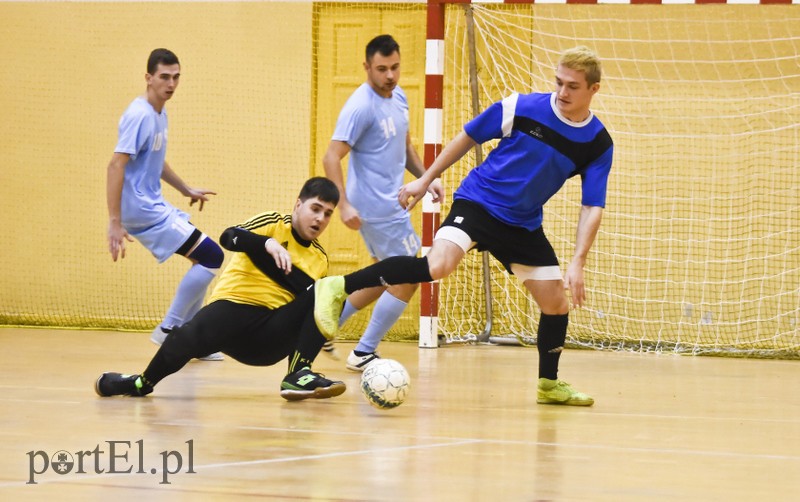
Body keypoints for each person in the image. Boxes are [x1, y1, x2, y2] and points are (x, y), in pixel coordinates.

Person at [315, 46, 613, 407]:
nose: (562, 93)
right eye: (558, 82)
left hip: (522, 224)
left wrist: (578, 260)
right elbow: (467, 137)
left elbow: (592, 205)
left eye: (573, 86)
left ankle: (549, 385)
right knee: (438, 265)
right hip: (478, 202)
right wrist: (424, 180)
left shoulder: (597, 143)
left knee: (556, 304)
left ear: (593, 90)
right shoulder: (521, 107)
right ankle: (337, 286)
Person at [95, 177, 347, 401]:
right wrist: (267, 244)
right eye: (315, 209)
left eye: (327, 214)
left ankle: (298, 375)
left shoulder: (320, 259)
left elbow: (308, 309)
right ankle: (140, 383)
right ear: (298, 204)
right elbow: (229, 237)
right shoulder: (273, 223)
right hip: (233, 310)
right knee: (183, 339)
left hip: (270, 336)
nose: (320, 219)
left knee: (326, 291)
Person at [321, 34, 443, 371]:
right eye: (381, 69)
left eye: (395, 68)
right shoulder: (360, 107)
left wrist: (426, 177)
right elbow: (331, 157)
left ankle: (324, 327)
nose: (389, 76)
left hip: (393, 202)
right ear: (366, 67)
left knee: (383, 275)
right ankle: (364, 352)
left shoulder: (399, 96)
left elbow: (405, 149)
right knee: (411, 276)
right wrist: (343, 205)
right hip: (378, 206)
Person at [106, 48, 224, 361]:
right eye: (164, 77)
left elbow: (155, 160)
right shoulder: (139, 115)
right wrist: (114, 222)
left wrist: (186, 188)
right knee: (212, 255)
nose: (171, 84)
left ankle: (192, 339)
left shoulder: (160, 112)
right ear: (148, 77)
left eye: (176, 77)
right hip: (140, 210)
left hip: (152, 204)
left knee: (205, 259)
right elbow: (115, 165)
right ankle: (171, 329)